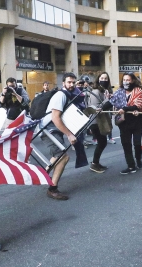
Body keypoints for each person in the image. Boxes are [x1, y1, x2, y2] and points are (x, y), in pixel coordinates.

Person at [40, 72, 78, 200]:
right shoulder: (61, 95)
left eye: (73, 82)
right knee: (63, 157)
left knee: (57, 157)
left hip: (54, 130)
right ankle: (52, 189)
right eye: (69, 82)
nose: (71, 84)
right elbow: (55, 118)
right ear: (63, 83)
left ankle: (41, 176)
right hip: (49, 130)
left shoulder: (67, 95)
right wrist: (69, 134)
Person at [102, 72, 142, 174]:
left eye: (128, 80)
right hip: (123, 122)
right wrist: (101, 108)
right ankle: (131, 166)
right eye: (124, 80)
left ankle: (138, 159)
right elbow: (111, 102)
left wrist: (124, 108)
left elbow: (138, 105)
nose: (126, 82)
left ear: (133, 80)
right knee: (126, 144)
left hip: (136, 120)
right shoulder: (119, 91)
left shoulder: (138, 91)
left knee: (138, 144)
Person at [86, 72, 112, 173]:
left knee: (102, 142)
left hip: (100, 120)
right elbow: (96, 109)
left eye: (106, 78)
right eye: (102, 78)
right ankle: (94, 164)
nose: (104, 80)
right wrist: (107, 100)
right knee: (102, 142)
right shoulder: (96, 91)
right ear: (98, 79)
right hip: (96, 121)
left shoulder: (104, 91)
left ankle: (96, 163)